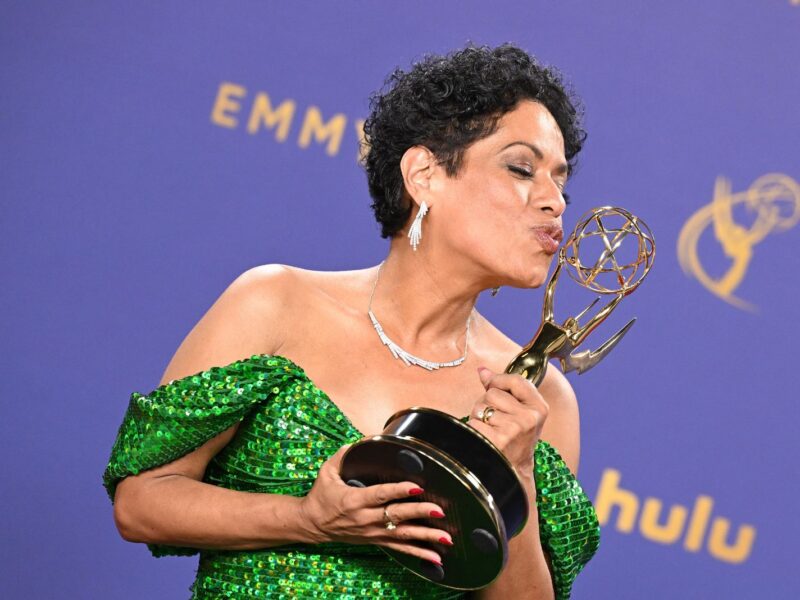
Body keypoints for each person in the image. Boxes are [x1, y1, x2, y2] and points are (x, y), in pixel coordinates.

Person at [104, 44, 600, 599]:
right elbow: (142, 502)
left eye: (562, 182)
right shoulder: (275, 303)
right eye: (520, 168)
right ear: (424, 174)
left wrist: (519, 477)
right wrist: (307, 518)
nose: (554, 201)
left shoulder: (542, 401)